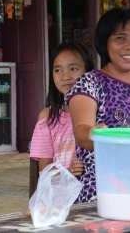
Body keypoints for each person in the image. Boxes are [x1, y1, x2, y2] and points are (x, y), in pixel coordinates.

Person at [66, 7, 130, 203]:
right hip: (102, 192)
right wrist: (95, 132)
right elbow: (81, 132)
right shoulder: (89, 82)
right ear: (105, 43)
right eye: (120, 38)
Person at [29, 41, 94, 176]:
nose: (65, 77)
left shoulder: (98, 111)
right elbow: (44, 169)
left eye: (73, 69)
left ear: (88, 71)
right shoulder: (48, 117)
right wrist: (67, 171)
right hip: (62, 193)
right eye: (58, 70)